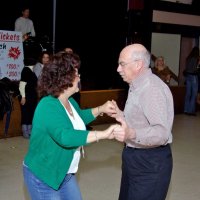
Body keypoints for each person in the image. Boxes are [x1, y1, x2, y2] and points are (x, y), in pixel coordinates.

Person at [22, 51, 117, 200]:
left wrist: (101, 109)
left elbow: (79, 118)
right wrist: (103, 134)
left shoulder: (69, 101)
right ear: (64, 78)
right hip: (43, 176)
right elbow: (65, 136)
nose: (79, 77)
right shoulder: (48, 105)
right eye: (77, 73)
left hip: (65, 172)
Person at [112, 43, 174, 200]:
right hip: (135, 158)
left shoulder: (151, 89)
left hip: (149, 164)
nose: (118, 69)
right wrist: (119, 114)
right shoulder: (136, 85)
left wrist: (131, 133)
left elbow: (161, 133)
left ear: (138, 64)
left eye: (122, 64)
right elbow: (140, 119)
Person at [19, 58, 38, 138]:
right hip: (26, 96)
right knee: (26, 114)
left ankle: (29, 131)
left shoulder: (30, 70)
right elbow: (22, 85)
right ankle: (25, 132)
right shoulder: (26, 70)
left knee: (30, 113)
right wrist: (23, 97)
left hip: (31, 96)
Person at [183, 46, 200, 116]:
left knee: (188, 94)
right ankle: (191, 111)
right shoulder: (197, 58)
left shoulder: (188, 58)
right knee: (194, 94)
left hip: (188, 76)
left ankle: (186, 110)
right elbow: (196, 69)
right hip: (193, 76)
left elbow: (187, 68)